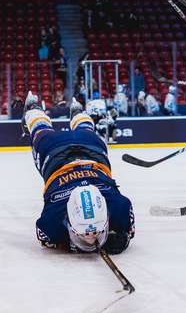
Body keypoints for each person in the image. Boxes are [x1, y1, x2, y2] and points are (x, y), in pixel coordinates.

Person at [22, 92, 134, 253]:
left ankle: (40, 109)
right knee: (41, 131)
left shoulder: (118, 207)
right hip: (56, 152)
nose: (91, 239)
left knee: (52, 129)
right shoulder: (52, 221)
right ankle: (72, 111)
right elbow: (45, 235)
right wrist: (123, 236)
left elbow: (46, 237)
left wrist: (123, 234)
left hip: (86, 149)